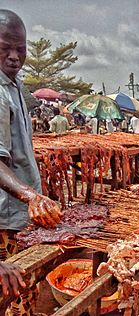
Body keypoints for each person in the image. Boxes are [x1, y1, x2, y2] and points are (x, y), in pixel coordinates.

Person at [0, 10, 62, 314]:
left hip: (19, 217)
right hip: (4, 219)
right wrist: (31, 195)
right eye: (4, 48)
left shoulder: (15, 87)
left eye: (20, 49)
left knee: (25, 291)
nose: (14, 56)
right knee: (15, 294)